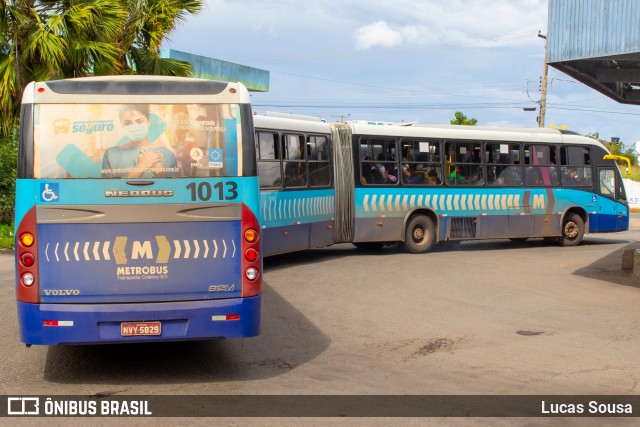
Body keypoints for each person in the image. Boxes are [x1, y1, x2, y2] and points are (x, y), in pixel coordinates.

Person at [102, 105, 178, 178]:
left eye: (139, 121)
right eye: (128, 123)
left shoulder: (168, 155)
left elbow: (174, 189)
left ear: (148, 122)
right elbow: (107, 188)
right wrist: (142, 166)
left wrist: (161, 174)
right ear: (122, 126)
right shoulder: (111, 154)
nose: (134, 126)